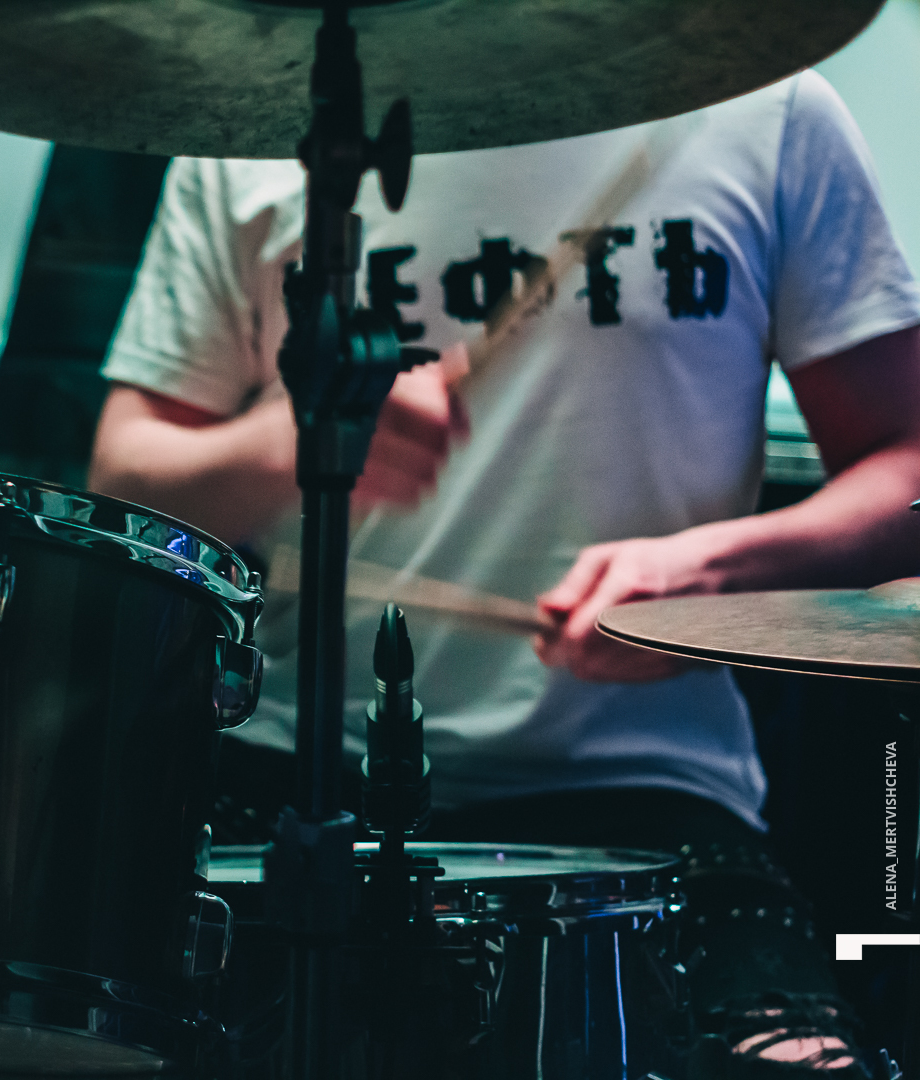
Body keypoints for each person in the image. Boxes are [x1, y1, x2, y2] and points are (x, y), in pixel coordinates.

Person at [88, 70, 920, 1076]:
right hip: (292, 783)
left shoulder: (761, 107)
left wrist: (727, 569)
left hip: (643, 791)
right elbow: (123, 485)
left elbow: (905, 461)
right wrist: (292, 441)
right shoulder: (259, 117)